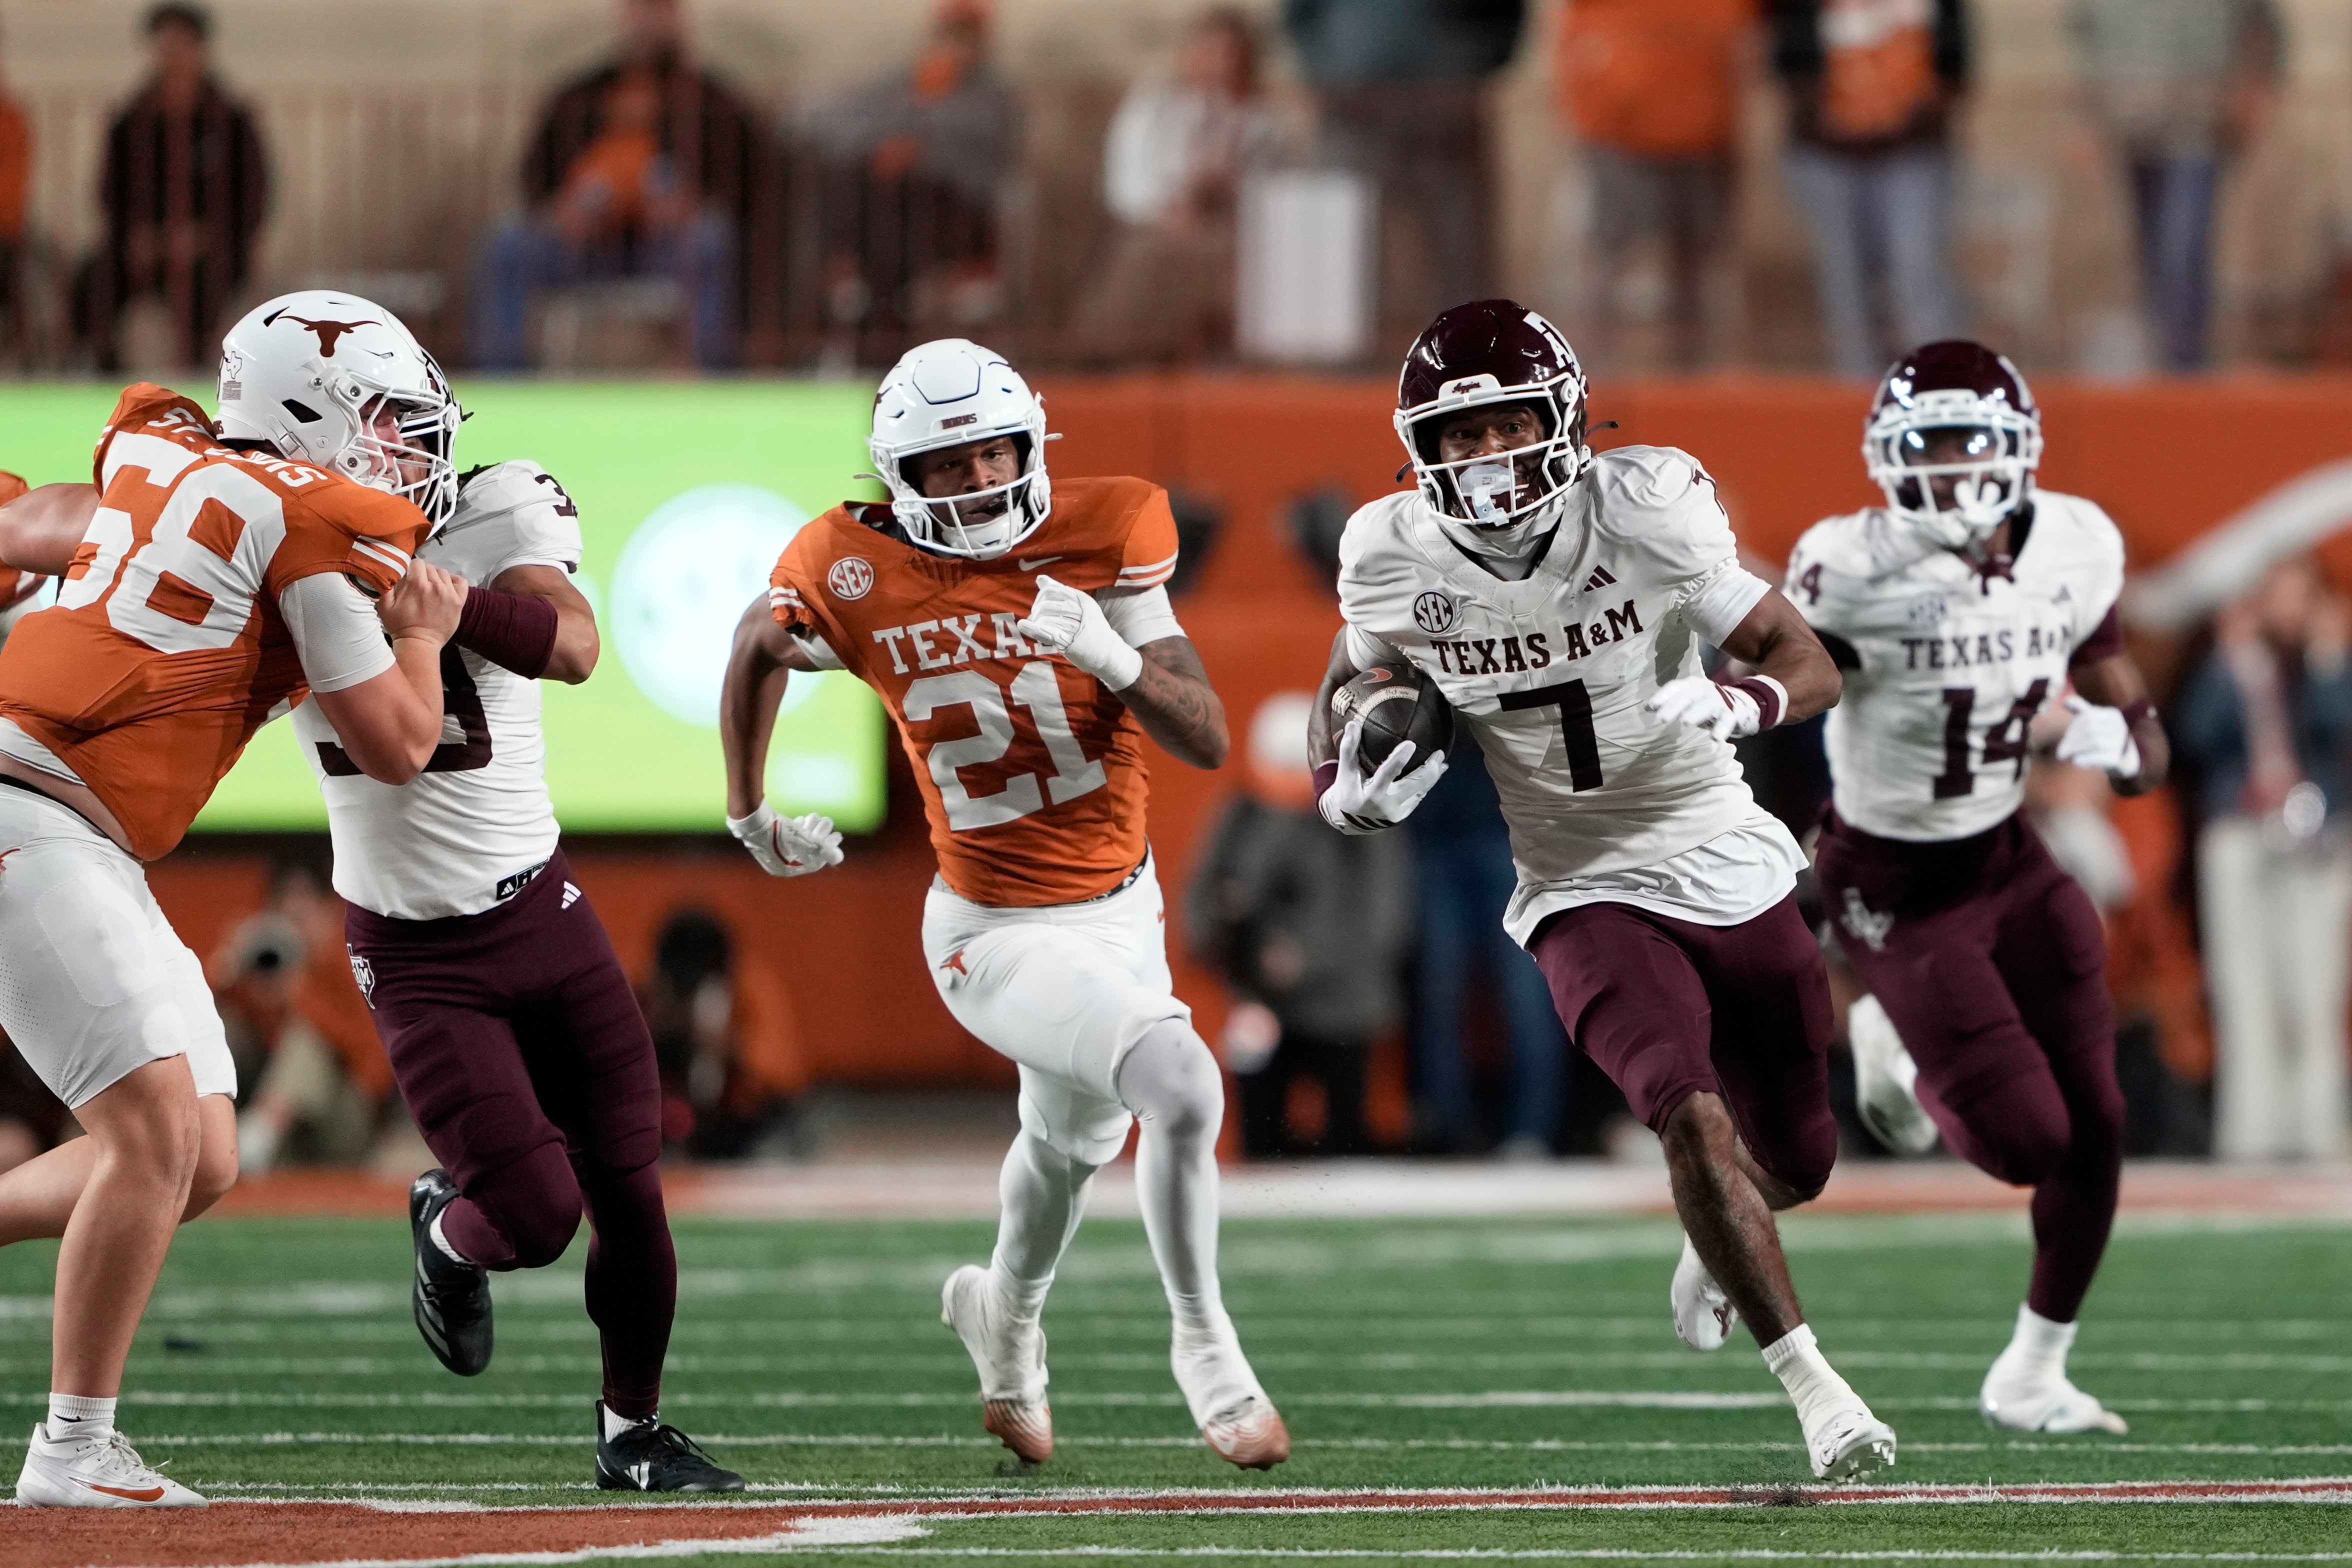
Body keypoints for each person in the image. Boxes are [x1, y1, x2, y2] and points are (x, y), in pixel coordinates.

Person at [1312, 298, 1892, 1480]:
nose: (1484, 458)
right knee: (1686, 1107)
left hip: (1719, 843)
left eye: (1507, 426)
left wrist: (1741, 702)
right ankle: (1817, 1389)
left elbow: (1809, 661)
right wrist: (1340, 779)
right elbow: (1353, 684)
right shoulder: (1389, 550)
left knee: (1800, 1159)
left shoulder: (1646, 507)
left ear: (1564, 418)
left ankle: (1718, 1235)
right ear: (1421, 446)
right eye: (1458, 437)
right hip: (1575, 879)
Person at [719, 338, 1287, 1470]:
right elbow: (755, 643)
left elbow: (1209, 736)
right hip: (990, 932)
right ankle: (1204, 1342)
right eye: (947, 466)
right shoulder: (849, 562)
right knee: (1177, 1079)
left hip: (1121, 915)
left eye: (995, 455)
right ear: (899, 480)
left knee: (1070, 1142)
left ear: (1032, 446)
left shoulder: (1110, 528)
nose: (978, 482)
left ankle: (1005, 1319)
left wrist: (1115, 658)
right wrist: (749, 811)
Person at [0, 290, 465, 1507]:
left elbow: (50, 516)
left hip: (71, 826)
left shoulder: (166, 454)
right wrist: (420, 634)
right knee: (155, 1136)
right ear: (308, 415)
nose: (403, 451)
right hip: (27, 807)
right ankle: (71, 1450)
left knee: (200, 1155)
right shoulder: (315, 521)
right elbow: (398, 745)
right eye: (381, 421)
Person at [280, 344, 739, 1490]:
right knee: (535, 1217)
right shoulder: (269, 556)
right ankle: (449, 1227)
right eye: (381, 424)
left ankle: (631, 1431)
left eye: (412, 419)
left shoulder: (494, 502)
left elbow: (576, 645)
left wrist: (444, 599)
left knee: (630, 1183)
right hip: (417, 950)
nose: (415, 445)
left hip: (545, 907)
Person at [1784, 339, 2168, 1434]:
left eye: (1973, 444)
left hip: (2009, 851)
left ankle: (2033, 1371)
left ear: (2021, 451)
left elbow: (2141, 731)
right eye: (1930, 446)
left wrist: (2115, 736)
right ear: (1887, 460)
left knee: (2096, 1122)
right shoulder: (1846, 562)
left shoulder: (2077, 544)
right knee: (2025, 1141)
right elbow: (1771, 681)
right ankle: (1891, 1042)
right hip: (1891, 877)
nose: (1954, 469)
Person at [2172, 556, 2352, 1161]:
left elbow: (2339, 728)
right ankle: (2251, 1133)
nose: (2289, 612)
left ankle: (2315, 1127)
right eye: (2278, 597)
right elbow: (2193, 736)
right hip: (2240, 831)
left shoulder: (2328, 665)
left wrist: (2330, 661)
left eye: (2302, 598)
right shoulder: (2233, 665)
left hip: (2318, 835)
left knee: (2315, 986)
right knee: (2242, 984)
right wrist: (2231, 663)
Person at [474, 0, 762, 371]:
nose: (649, 21)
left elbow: (748, 185)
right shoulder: (579, 97)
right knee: (509, 243)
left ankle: (714, 373)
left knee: (711, 239)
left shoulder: (713, 102)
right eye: (640, 9)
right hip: (586, 246)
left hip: (667, 248)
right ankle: (501, 379)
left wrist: (688, 208)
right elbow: (535, 177)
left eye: (661, 10)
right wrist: (562, 213)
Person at [1186, 692, 1409, 1157]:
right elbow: (1202, 906)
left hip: (1343, 1006)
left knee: (1344, 1143)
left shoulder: (1363, 820)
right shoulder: (1242, 816)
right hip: (1259, 1005)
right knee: (1260, 1140)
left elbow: (1385, 920)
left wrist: (1305, 962)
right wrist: (1245, 965)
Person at [1283, 0, 1526, 328]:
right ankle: (1345, 372)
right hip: (1352, 111)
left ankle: (1467, 363)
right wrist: (1326, 72)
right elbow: (1299, 16)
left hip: (1449, 113)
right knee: (1345, 262)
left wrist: (1475, 67)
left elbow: (1507, 16)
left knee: (1463, 259)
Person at [2070, 0, 2280, 372]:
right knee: (2152, 255)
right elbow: (2088, 32)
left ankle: (2185, 370)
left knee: (2182, 250)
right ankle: (2164, 370)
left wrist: (2255, 87)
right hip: (2133, 123)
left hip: (2199, 121)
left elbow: (2261, 21)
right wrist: (2087, 117)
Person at [810, 1, 1020, 367]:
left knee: (897, 206)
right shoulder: (901, 84)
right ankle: (871, 336)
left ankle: (873, 348)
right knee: (865, 189)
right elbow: (835, 124)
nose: (954, 46)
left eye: (965, 37)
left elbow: (986, 161)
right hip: (897, 214)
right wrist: (889, 143)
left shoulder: (993, 97)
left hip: (959, 215)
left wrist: (919, 144)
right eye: (947, 34)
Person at [1072, 8, 1284, 366]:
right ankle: (1116, 357)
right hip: (1156, 229)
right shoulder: (1152, 107)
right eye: (1205, 52)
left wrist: (1229, 186)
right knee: (1154, 259)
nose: (1213, 66)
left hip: (1233, 234)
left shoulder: (1262, 124)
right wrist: (1170, 208)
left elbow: (1273, 193)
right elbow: (1126, 185)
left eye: (1224, 56)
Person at [1770, 0, 1968, 377]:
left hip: (1912, 154)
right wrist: (1830, 120)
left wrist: (1902, 119)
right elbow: (1787, 61)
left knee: (1917, 271)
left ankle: (1941, 387)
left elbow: (1956, 66)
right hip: (1829, 156)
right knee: (1845, 283)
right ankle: (1860, 394)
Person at [1556, 0, 1756, 369]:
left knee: (1700, 261)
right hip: (1621, 130)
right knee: (1608, 257)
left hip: (1701, 128)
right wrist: (1591, 107)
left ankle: (1699, 375)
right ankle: (1590, 375)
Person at [80, 3, 268, 372]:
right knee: (97, 275)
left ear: (200, 51)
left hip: (213, 249)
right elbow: (109, 193)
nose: (173, 59)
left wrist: (205, 235)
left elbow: (254, 196)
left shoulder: (232, 121)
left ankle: (199, 371)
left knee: (212, 279)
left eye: (182, 48)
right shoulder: (130, 122)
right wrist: (137, 238)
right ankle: (99, 367)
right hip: (143, 248)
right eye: (164, 49)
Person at [1406, 744, 1571, 1158]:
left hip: (1512, 833)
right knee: (1440, 993)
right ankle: (1450, 1133)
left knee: (1527, 995)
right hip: (1435, 831)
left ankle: (1532, 1131)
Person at [641, 906, 809, 1160]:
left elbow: (779, 1075)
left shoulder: (753, 990)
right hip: (674, 1111)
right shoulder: (646, 986)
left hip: (740, 1120)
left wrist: (727, 1048)